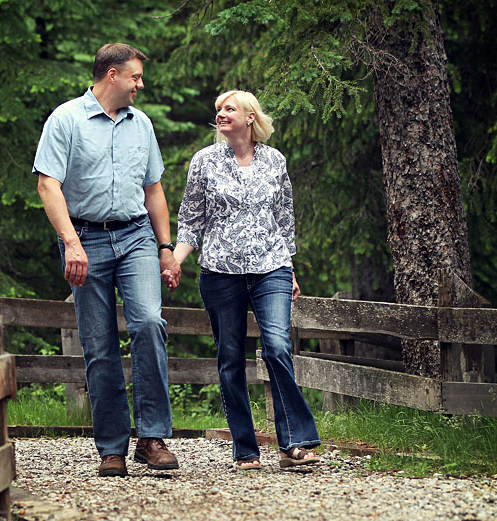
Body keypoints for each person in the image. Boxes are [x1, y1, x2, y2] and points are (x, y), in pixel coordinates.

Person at [32, 43, 181, 477]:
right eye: (135, 77)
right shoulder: (66, 120)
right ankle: (112, 447)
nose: (141, 84)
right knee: (99, 345)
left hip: (135, 235)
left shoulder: (143, 125)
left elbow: (153, 190)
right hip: (85, 240)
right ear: (112, 75)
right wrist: (71, 243)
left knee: (150, 323)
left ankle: (152, 438)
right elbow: (48, 185)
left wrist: (166, 247)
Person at [168, 90, 321, 470]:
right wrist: (174, 261)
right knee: (230, 358)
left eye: (229, 109)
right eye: (218, 109)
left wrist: (290, 267)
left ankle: (294, 444)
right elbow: (191, 221)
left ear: (250, 117)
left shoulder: (275, 161)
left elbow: (284, 220)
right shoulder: (204, 161)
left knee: (277, 347)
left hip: (272, 269)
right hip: (220, 273)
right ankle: (245, 448)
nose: (220, 114)